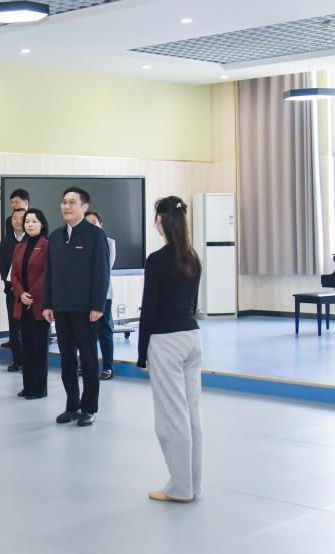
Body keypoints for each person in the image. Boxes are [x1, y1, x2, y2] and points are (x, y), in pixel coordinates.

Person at [136, 196, 203, 504]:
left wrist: (141, 353)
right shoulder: (193, 258)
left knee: (171, 418)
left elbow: (148, 309)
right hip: (192, 337)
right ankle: (192, 485)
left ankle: (179, 489)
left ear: (160, 221)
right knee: (191, 414)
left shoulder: (156, 260)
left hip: (166, 341)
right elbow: (193, 303)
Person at [42, 187, 110, 427]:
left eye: (72, 202)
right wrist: (47, 303)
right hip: (61, 308)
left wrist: (97, 305)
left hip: (85, 309)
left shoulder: (95, 235)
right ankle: (72, 405)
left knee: (89, 360)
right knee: (67, 360)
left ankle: (89, 407)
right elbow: (49, 272)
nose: (66, 206)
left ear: (84, 207)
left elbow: (102, 272)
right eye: (64, 202)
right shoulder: (55, 237)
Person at [11, 209, 51, 399]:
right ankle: (28, 386)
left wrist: (31, 294)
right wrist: (21, 293)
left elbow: (48, 274)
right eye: (27, 221)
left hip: (39, 305)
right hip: (22, 303)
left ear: (42, 224)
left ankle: (39, 389)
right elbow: (14, 275)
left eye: (34, 221)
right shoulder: (20, 246)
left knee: (39, 348)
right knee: (26, 347)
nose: (30, 224)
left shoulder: (47, 245)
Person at [85, 211, 117, 380]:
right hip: (83, 295)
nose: (91, 225)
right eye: (87, 223)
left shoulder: (109, 242)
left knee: (104, 331)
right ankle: (87, 366)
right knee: (85, 333)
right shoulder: (79, 243)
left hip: (103, 293)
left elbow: (106, 268)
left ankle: (107, 367)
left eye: (94, 222)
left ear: (100, 225)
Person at [0, 208, 27, 370]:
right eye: (14, 218)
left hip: (29, 293)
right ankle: (18, 360)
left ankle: (30, 359)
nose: (17, 221)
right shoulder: (7, 241)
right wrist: (9, 284)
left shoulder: (32, 239)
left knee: (27, 326)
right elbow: (2, 265)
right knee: (14, 326)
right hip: (11, 291)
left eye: (21, 218)